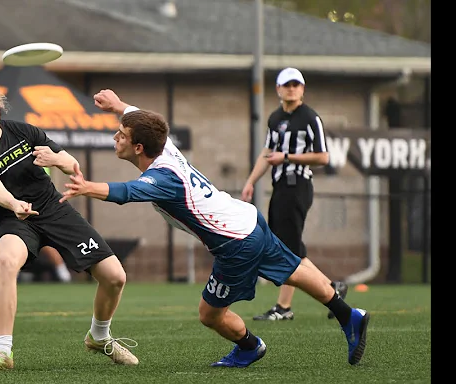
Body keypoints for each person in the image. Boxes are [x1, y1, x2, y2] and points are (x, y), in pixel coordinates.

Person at [59, 89, 370, 368]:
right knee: (292, 269)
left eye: (121, 135)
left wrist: (86, 187)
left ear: (139, 147)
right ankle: (348, 315)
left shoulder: (162, 178)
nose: (116, 137)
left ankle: (250, 347)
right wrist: (118, 106)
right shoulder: (163, 145)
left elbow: (126, 193)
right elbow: (142, 119)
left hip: (234, 243)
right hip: (248, 219)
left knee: (209, 315)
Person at [0, 80, 138, 371]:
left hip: (54, 209)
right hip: (15, 219)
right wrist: (15, 205)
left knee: (115, 276)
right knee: (6, 260)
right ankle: (3, 352)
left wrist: (57, 159)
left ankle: (99, 336)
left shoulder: (22, 130)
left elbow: (70, 163)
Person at [241, 67, 348, 321]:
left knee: (287, 250)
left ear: (302, 89)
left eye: (296, 84)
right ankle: (333, 289)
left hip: (298, 186)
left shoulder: (310, 118)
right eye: (287, 84)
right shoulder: (275, 118)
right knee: (289, 248)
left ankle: (284, 307)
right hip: (280, 188)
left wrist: (288, 157)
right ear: (278, 89)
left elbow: (323, 157)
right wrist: (251, 181)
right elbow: (267, 153)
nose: (292, 88)